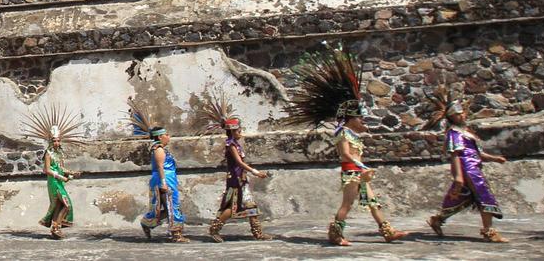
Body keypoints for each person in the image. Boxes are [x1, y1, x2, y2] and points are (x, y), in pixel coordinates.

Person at [283, 44, 408, 246]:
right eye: (360, 120)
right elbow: (346, 155)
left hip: (358, 171)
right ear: (351, 120)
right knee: (347, 205)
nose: (363, 123)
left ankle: (387, 231)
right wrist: (362, 166)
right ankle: (336, 234)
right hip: (351, 172)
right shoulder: (342, 134)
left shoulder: (350, 133)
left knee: (373, 202)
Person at [425, 92, 508, 242]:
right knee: (484, 196)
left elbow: (479, 153)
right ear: (451, 118)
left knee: (463, 198)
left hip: (475, 167)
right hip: (468, 169)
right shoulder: (454, 133)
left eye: (461, 113)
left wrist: (495, 159)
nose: (460, 116)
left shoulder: (467, 132)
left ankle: (437, 219)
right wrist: (458, 177)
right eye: (456, 115)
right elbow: (456, 154)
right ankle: (489, 231)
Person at [198, 94, 272, 242]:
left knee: (251, 206)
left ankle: (257, 233)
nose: (240, 133)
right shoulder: (231, 145)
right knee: (231, 208)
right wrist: (255, 172)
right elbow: (239, 163)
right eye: (238, 131)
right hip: (235, 180)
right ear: (232, 131)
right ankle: (214, 229)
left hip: (241, 179)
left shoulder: (236, 144)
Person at [128, 101, 187, 242]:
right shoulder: (159, 149)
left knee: (167, 208)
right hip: (164, 179)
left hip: (167, 178)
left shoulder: (161, 148)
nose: (169, 136)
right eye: (166, 134)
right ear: (160, 137)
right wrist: (163, 183)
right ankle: (176, 234)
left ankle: (147, 223)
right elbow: (160, 167)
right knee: (172, 204)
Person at [22, 105, 84, 240]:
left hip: (60, 182)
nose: (56, 142)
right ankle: (56, 226)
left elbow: (62, 168)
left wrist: (72, 173)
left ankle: (55, 227)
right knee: (66, 204)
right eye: (54, 140)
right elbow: (47, 170)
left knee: (61, 205)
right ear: (51, 141)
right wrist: (60, 177)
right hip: (53, 182)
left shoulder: (60, 153)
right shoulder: (48, 153)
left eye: (58, 140)